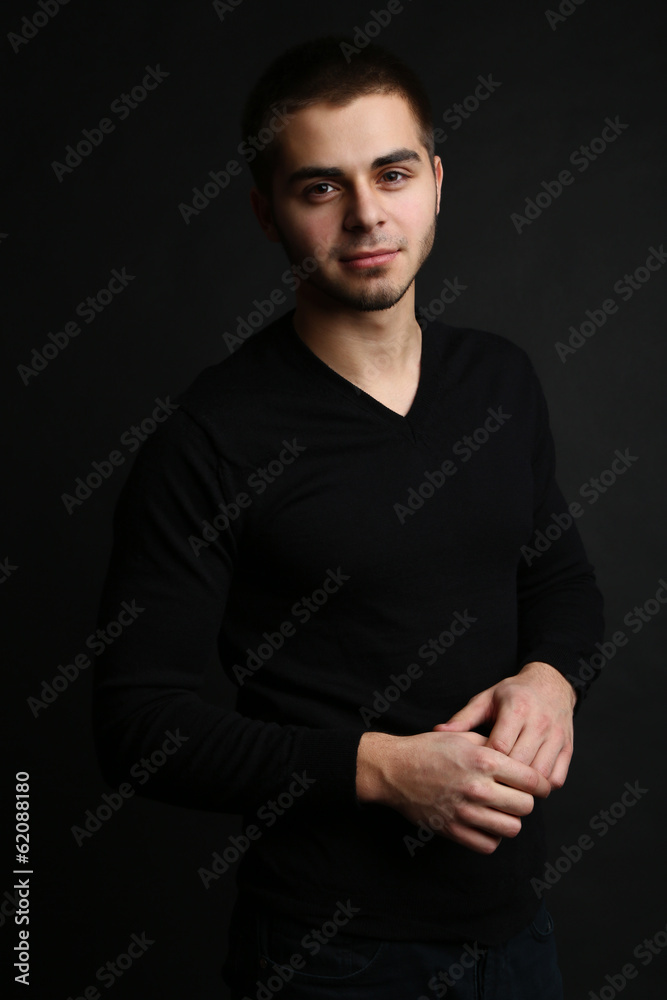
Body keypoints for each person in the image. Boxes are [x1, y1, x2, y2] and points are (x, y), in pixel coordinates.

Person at [92, 36, 605, 1000]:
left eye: (393, 173)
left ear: (436, 182)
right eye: (320, 188)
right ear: (267, 214)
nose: (368, 214)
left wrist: (552, 679)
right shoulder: (212, 437)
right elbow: (136, 726)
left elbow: (559, 579)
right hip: (333, 956)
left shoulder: (499, 379)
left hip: (518, 936)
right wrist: (375, 770)